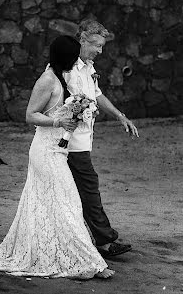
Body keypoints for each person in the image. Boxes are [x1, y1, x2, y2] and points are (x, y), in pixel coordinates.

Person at [0, 35, 114, 279]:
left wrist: (79, 113)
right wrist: (58, 120)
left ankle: (69, 257)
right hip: (45, 152)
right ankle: (86, 263)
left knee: (52, 205)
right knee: (69, 204)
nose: (77, 59)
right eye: (74, 55)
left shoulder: (60, 76)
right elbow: (30, 115)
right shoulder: (47, 79)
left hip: (58, 150)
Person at [65, 19, 139, 257]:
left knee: (79, 190)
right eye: (96, 45)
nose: (100, 50)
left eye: (102, 46)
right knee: (89, 188)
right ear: (82, 39)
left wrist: (120, 116)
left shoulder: (89, 67)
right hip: (71, 141)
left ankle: (84, 237)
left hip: (85, 140)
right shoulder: (67, 68)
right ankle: (104, 241)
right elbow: (59, 103)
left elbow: (97, 95)